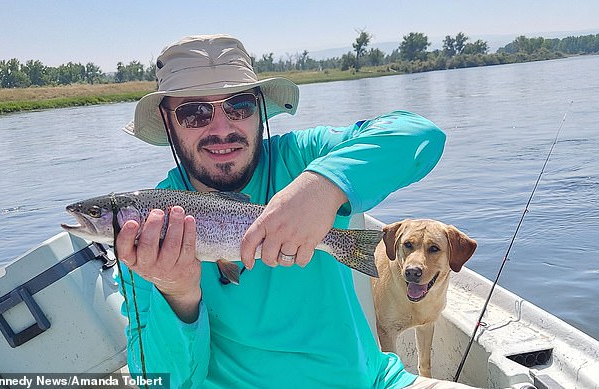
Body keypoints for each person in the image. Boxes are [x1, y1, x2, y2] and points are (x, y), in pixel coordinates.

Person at [116, 34, 476, 388]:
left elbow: (422, 136)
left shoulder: (305, 158)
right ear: (167, 121)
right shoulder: (147, 225)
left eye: (239, 106)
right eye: (194, 113)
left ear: (259, 109)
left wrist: (322, 187)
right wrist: (177, 293)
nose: (221, 129)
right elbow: (164, 382)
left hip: (372, 381)